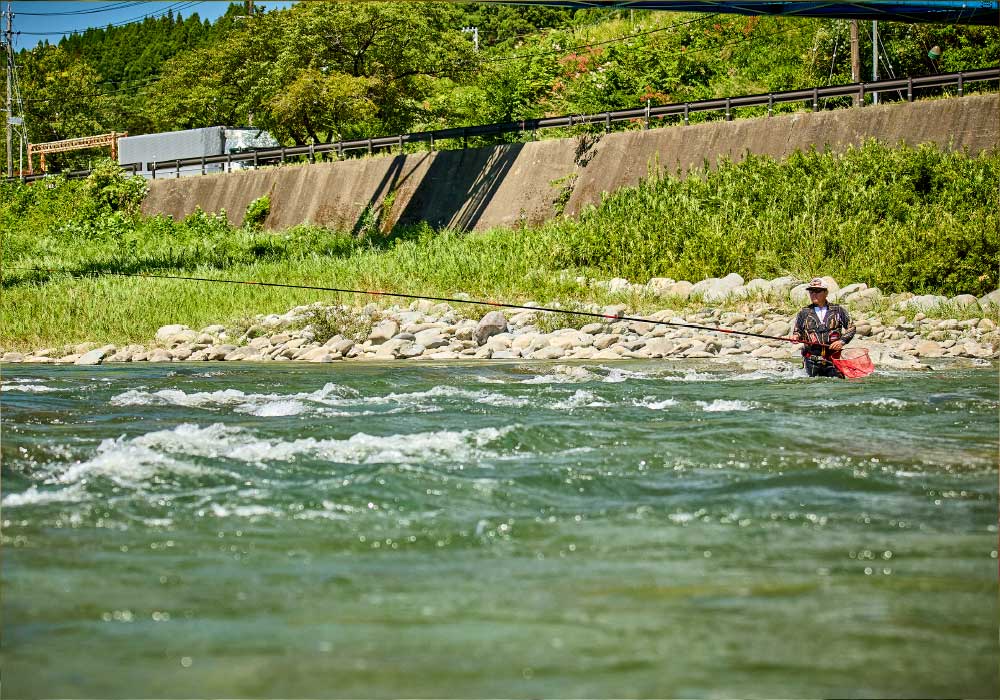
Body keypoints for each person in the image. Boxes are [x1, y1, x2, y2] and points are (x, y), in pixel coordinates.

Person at [792, 277, 856, 378]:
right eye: (811, 291)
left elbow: (851, 328)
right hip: (811, 360)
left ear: (826, 293)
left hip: (833, 359)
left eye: (817, 291)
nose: (813, 294)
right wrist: (796, 337)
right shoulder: (804, 312)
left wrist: (841, 341)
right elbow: (797, 331)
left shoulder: (838, 310)